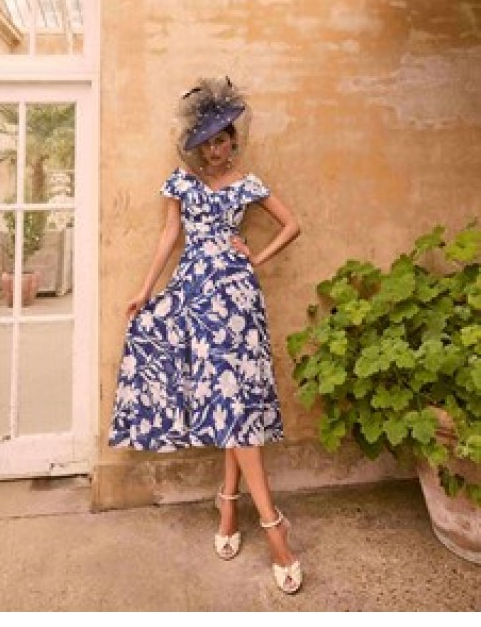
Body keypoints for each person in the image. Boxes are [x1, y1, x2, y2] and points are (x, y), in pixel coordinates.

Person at [108, 76, 302, 594]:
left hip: (238, 298)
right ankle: (259, 518)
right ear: (196, 145)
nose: (216, 150)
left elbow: (291, 225)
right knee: (226, 399)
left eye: (223, 140)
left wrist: (255, 259)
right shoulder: (181, 182)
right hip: (194, 295)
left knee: (233, 399)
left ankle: (237, 509)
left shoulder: (248, 183)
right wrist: (145, 289)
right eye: (208, 142)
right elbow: (169, 235)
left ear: (234, 140)